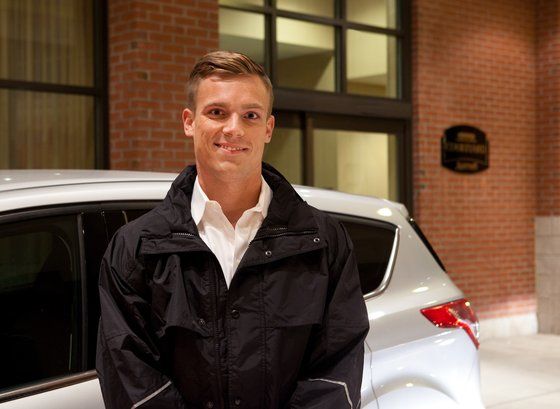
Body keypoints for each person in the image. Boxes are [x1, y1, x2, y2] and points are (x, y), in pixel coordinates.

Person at [96, 51, 369, 409]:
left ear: (268, 128)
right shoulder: (134, 250)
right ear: (189, 122)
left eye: (250, 115)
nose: (234, 129)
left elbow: (335, 370)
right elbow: (129, 379)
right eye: (217, 112)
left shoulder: (324, 242)